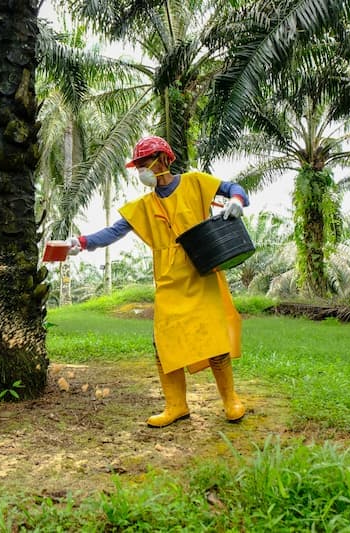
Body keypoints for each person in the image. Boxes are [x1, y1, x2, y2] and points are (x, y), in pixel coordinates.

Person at [68, 135, 248, 427]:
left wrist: (237, 201)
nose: (141, 171)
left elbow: (233, 188)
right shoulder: (143, 206)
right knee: (165, 343)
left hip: (202, 271)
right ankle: (176, 405)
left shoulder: (195, 183)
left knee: (214, 338)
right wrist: (82, 242)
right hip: (168, 281)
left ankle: (231, 400)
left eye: (144, 163)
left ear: (164, 159)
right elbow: (113, 232)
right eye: (137, 165)